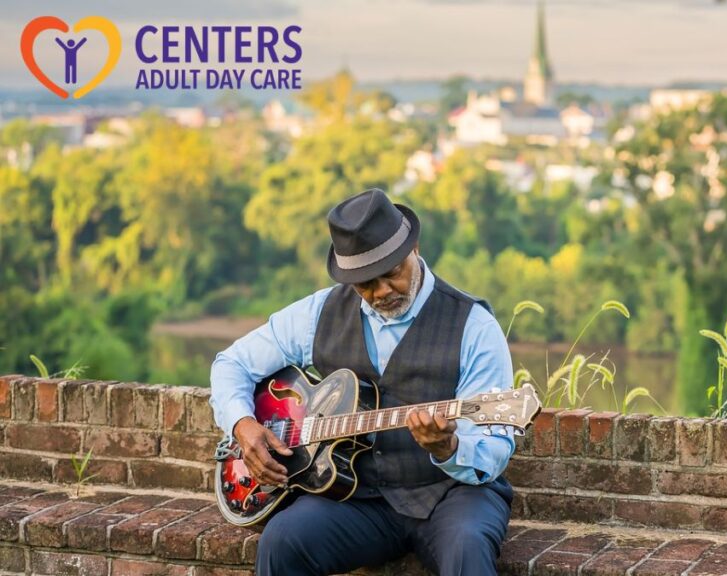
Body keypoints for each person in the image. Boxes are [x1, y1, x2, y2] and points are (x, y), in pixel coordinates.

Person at [210, 189, 515, 575]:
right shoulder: (319, 312)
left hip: (454, 495)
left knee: (468, 548)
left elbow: (495, 444)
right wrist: (243, 424)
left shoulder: (474, 326)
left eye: (392, 273)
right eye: (366, 284)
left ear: (415, 248)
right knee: (283, 539)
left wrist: (449, 446)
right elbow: (231, 363)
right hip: (358, 499)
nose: (382, 291)